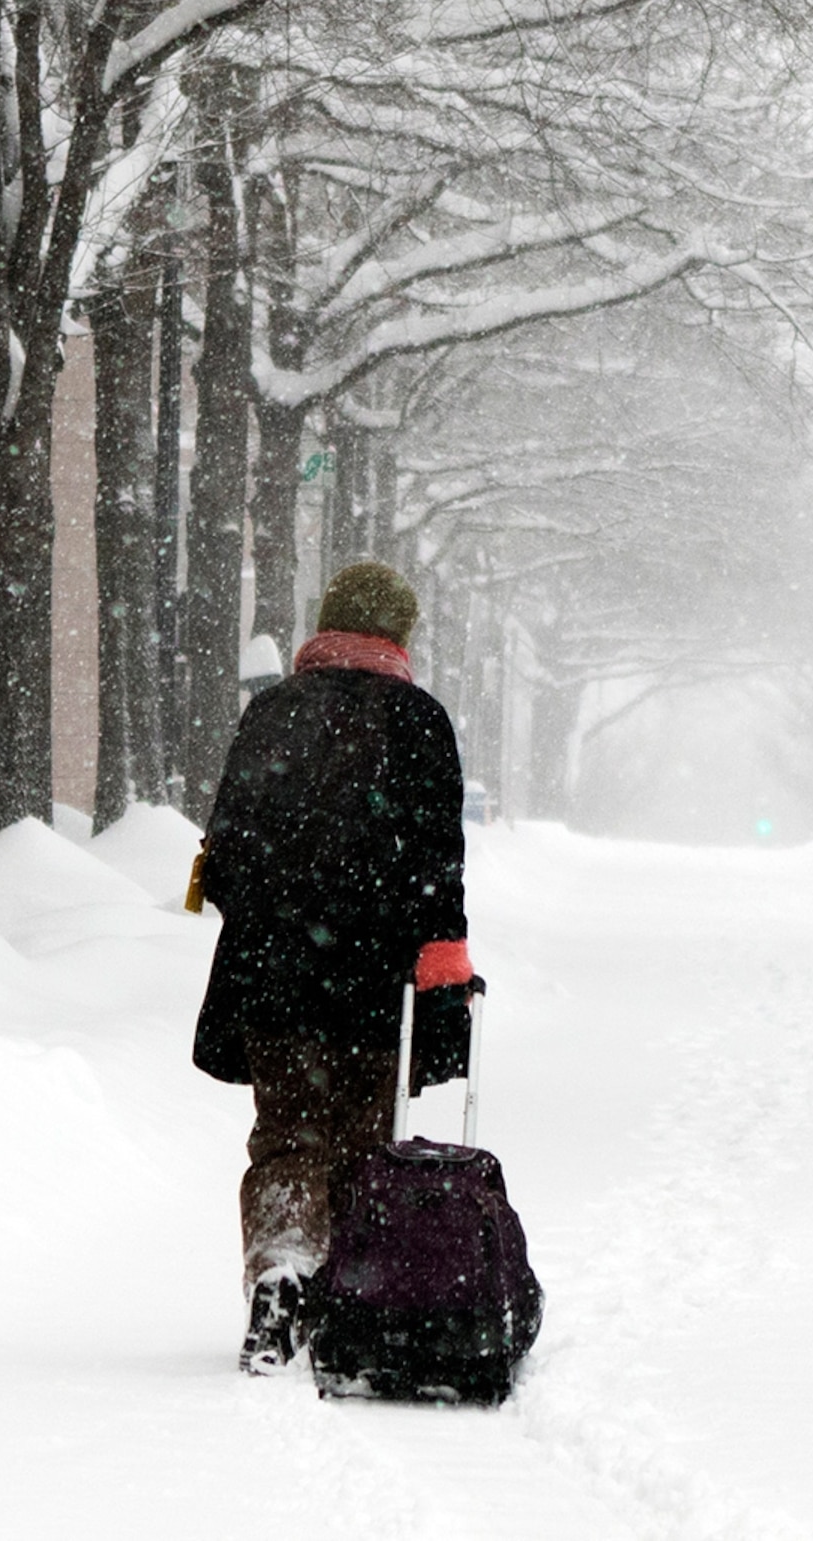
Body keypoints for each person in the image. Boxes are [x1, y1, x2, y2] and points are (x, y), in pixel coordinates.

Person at [190, 559, 480, 1372]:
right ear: (399, 636)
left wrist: (275, 923)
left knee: (286, 1137)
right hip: (373, 986)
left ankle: (281, 1271)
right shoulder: (420, 722)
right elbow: (437, 868)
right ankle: (347, 1295)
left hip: (275, 978)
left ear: (328, 622)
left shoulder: (272, 712)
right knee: (361, 1143)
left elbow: (228, 849)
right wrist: (442, 969)